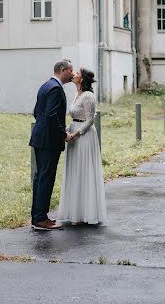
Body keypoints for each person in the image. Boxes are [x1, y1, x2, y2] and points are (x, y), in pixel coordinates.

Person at [58, 68, 107, 225]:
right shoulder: (76, 94)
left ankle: (87, 212)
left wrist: (76, 134)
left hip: (84, 137)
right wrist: (66, 130)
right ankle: (75, 211)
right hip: (73, 132)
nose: (74, 75)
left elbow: (90, 120)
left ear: (82, 79)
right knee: (75, 171)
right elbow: (75, 117)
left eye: (77, 73)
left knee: (84, 171)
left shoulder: (88, 96)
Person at [29, 59, 74, 230]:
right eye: (71, 70)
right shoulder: (55, 89)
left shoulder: (45, 86)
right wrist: (63, 135)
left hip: (40, 138)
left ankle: (37, 216)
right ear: (63, 70)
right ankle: (41, 219)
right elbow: (51, 115)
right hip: (49, 141)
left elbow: (36, 112)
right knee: (46, 178)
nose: (73, 73)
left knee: (40, 177)